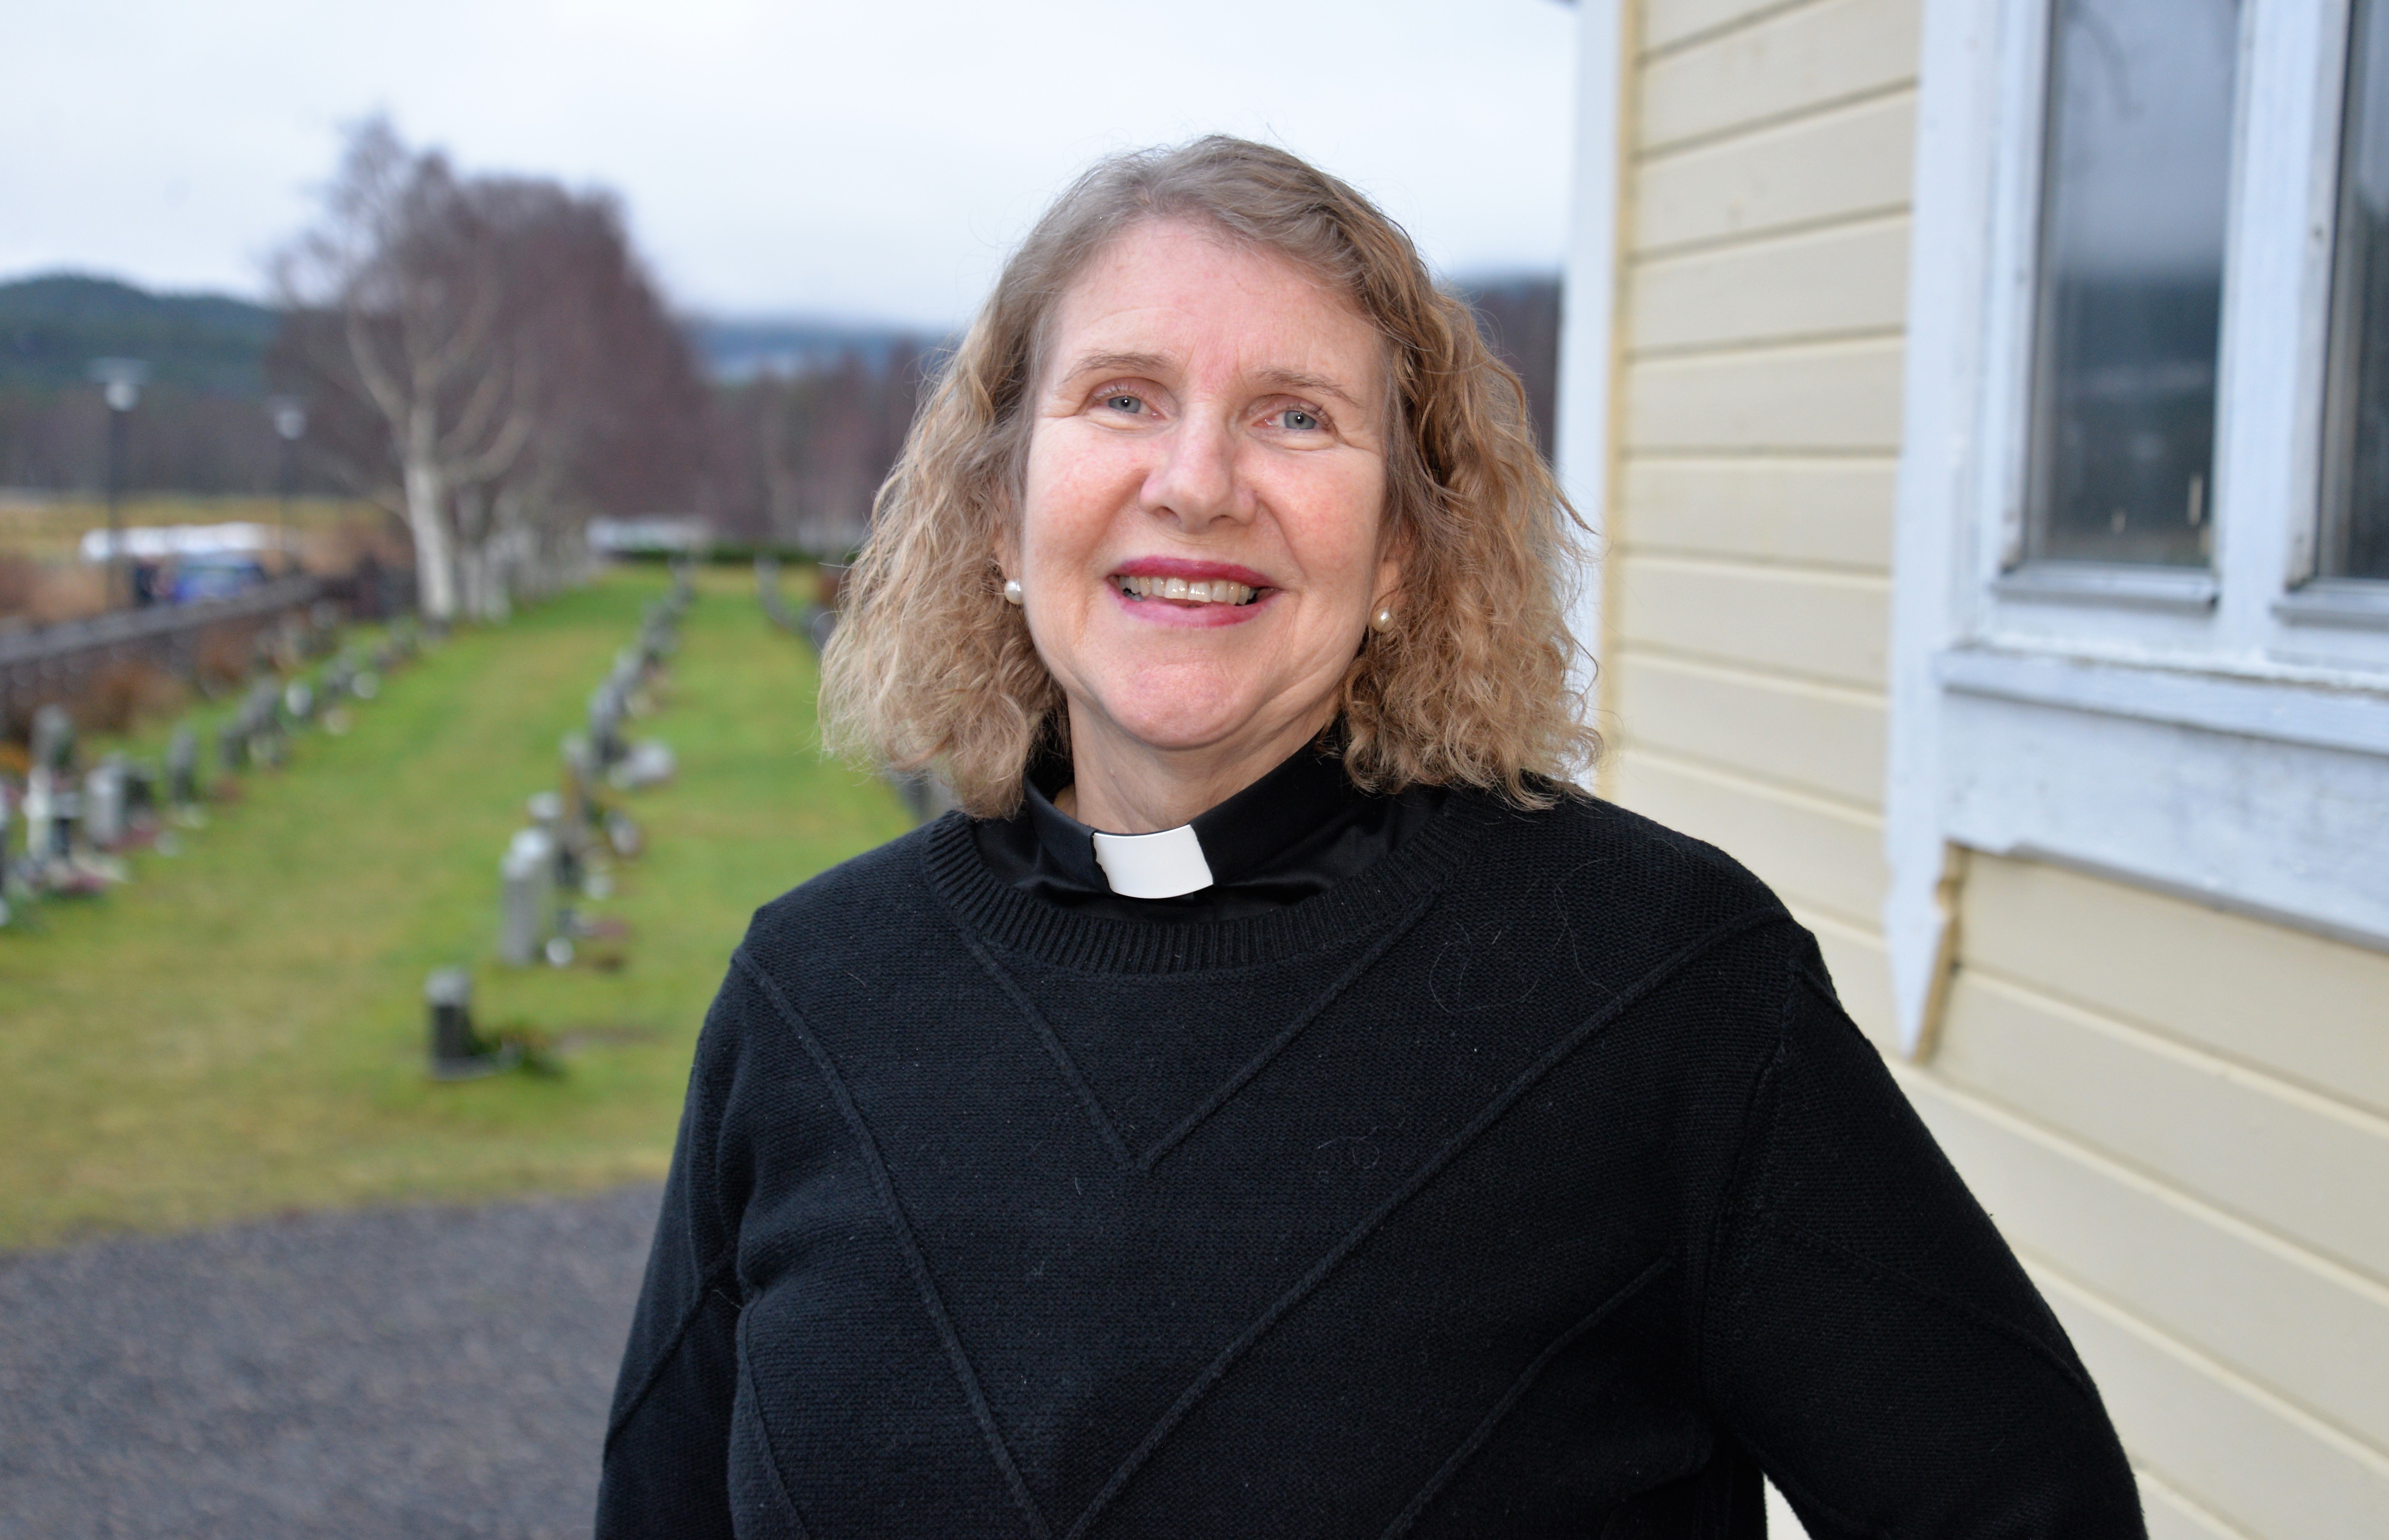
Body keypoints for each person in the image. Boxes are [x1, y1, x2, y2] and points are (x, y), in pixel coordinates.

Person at [597, 138, 2143, 1539]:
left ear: (1402, 544)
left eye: (1295, 416)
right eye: (1124, 397)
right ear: (1001, 511)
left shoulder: (1658, 983)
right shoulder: (812, 994)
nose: (1197, 484)